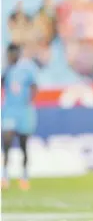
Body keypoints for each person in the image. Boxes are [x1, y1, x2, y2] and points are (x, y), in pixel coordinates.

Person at [1, 44, 38, 190]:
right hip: (10, 110)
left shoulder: (27, 68)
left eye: (13, 53)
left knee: (23, 145)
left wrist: (28, 101)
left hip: (24, 111)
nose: (11, 56)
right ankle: (4, 175)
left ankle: (24, 175)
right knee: (7, 142)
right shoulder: (6, 69)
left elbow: (34, 86)